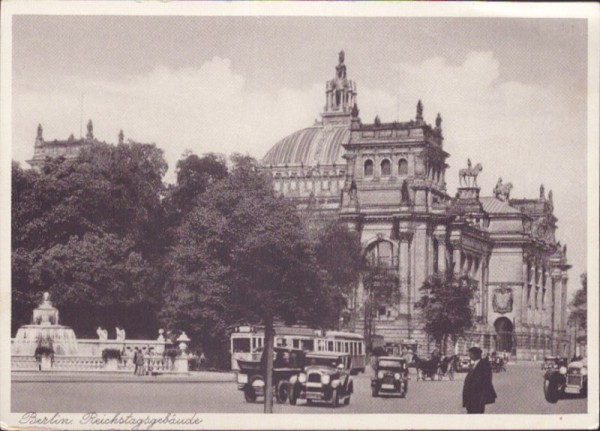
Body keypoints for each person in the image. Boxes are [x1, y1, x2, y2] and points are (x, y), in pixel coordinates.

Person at [463, 347, 497, 413]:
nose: (469, 356)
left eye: (470, 354)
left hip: (477, 398)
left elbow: (486, 381)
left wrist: (481, 397)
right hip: (471, 398)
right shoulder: (475, 364)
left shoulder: (484, 364)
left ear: (475, 355)